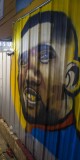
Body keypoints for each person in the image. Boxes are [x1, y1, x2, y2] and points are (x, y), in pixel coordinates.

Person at [17, 11, 80, 159]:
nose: (29, 76)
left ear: (71, 77)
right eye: (23, 61)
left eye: (45, 56)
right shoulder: (28, 130)